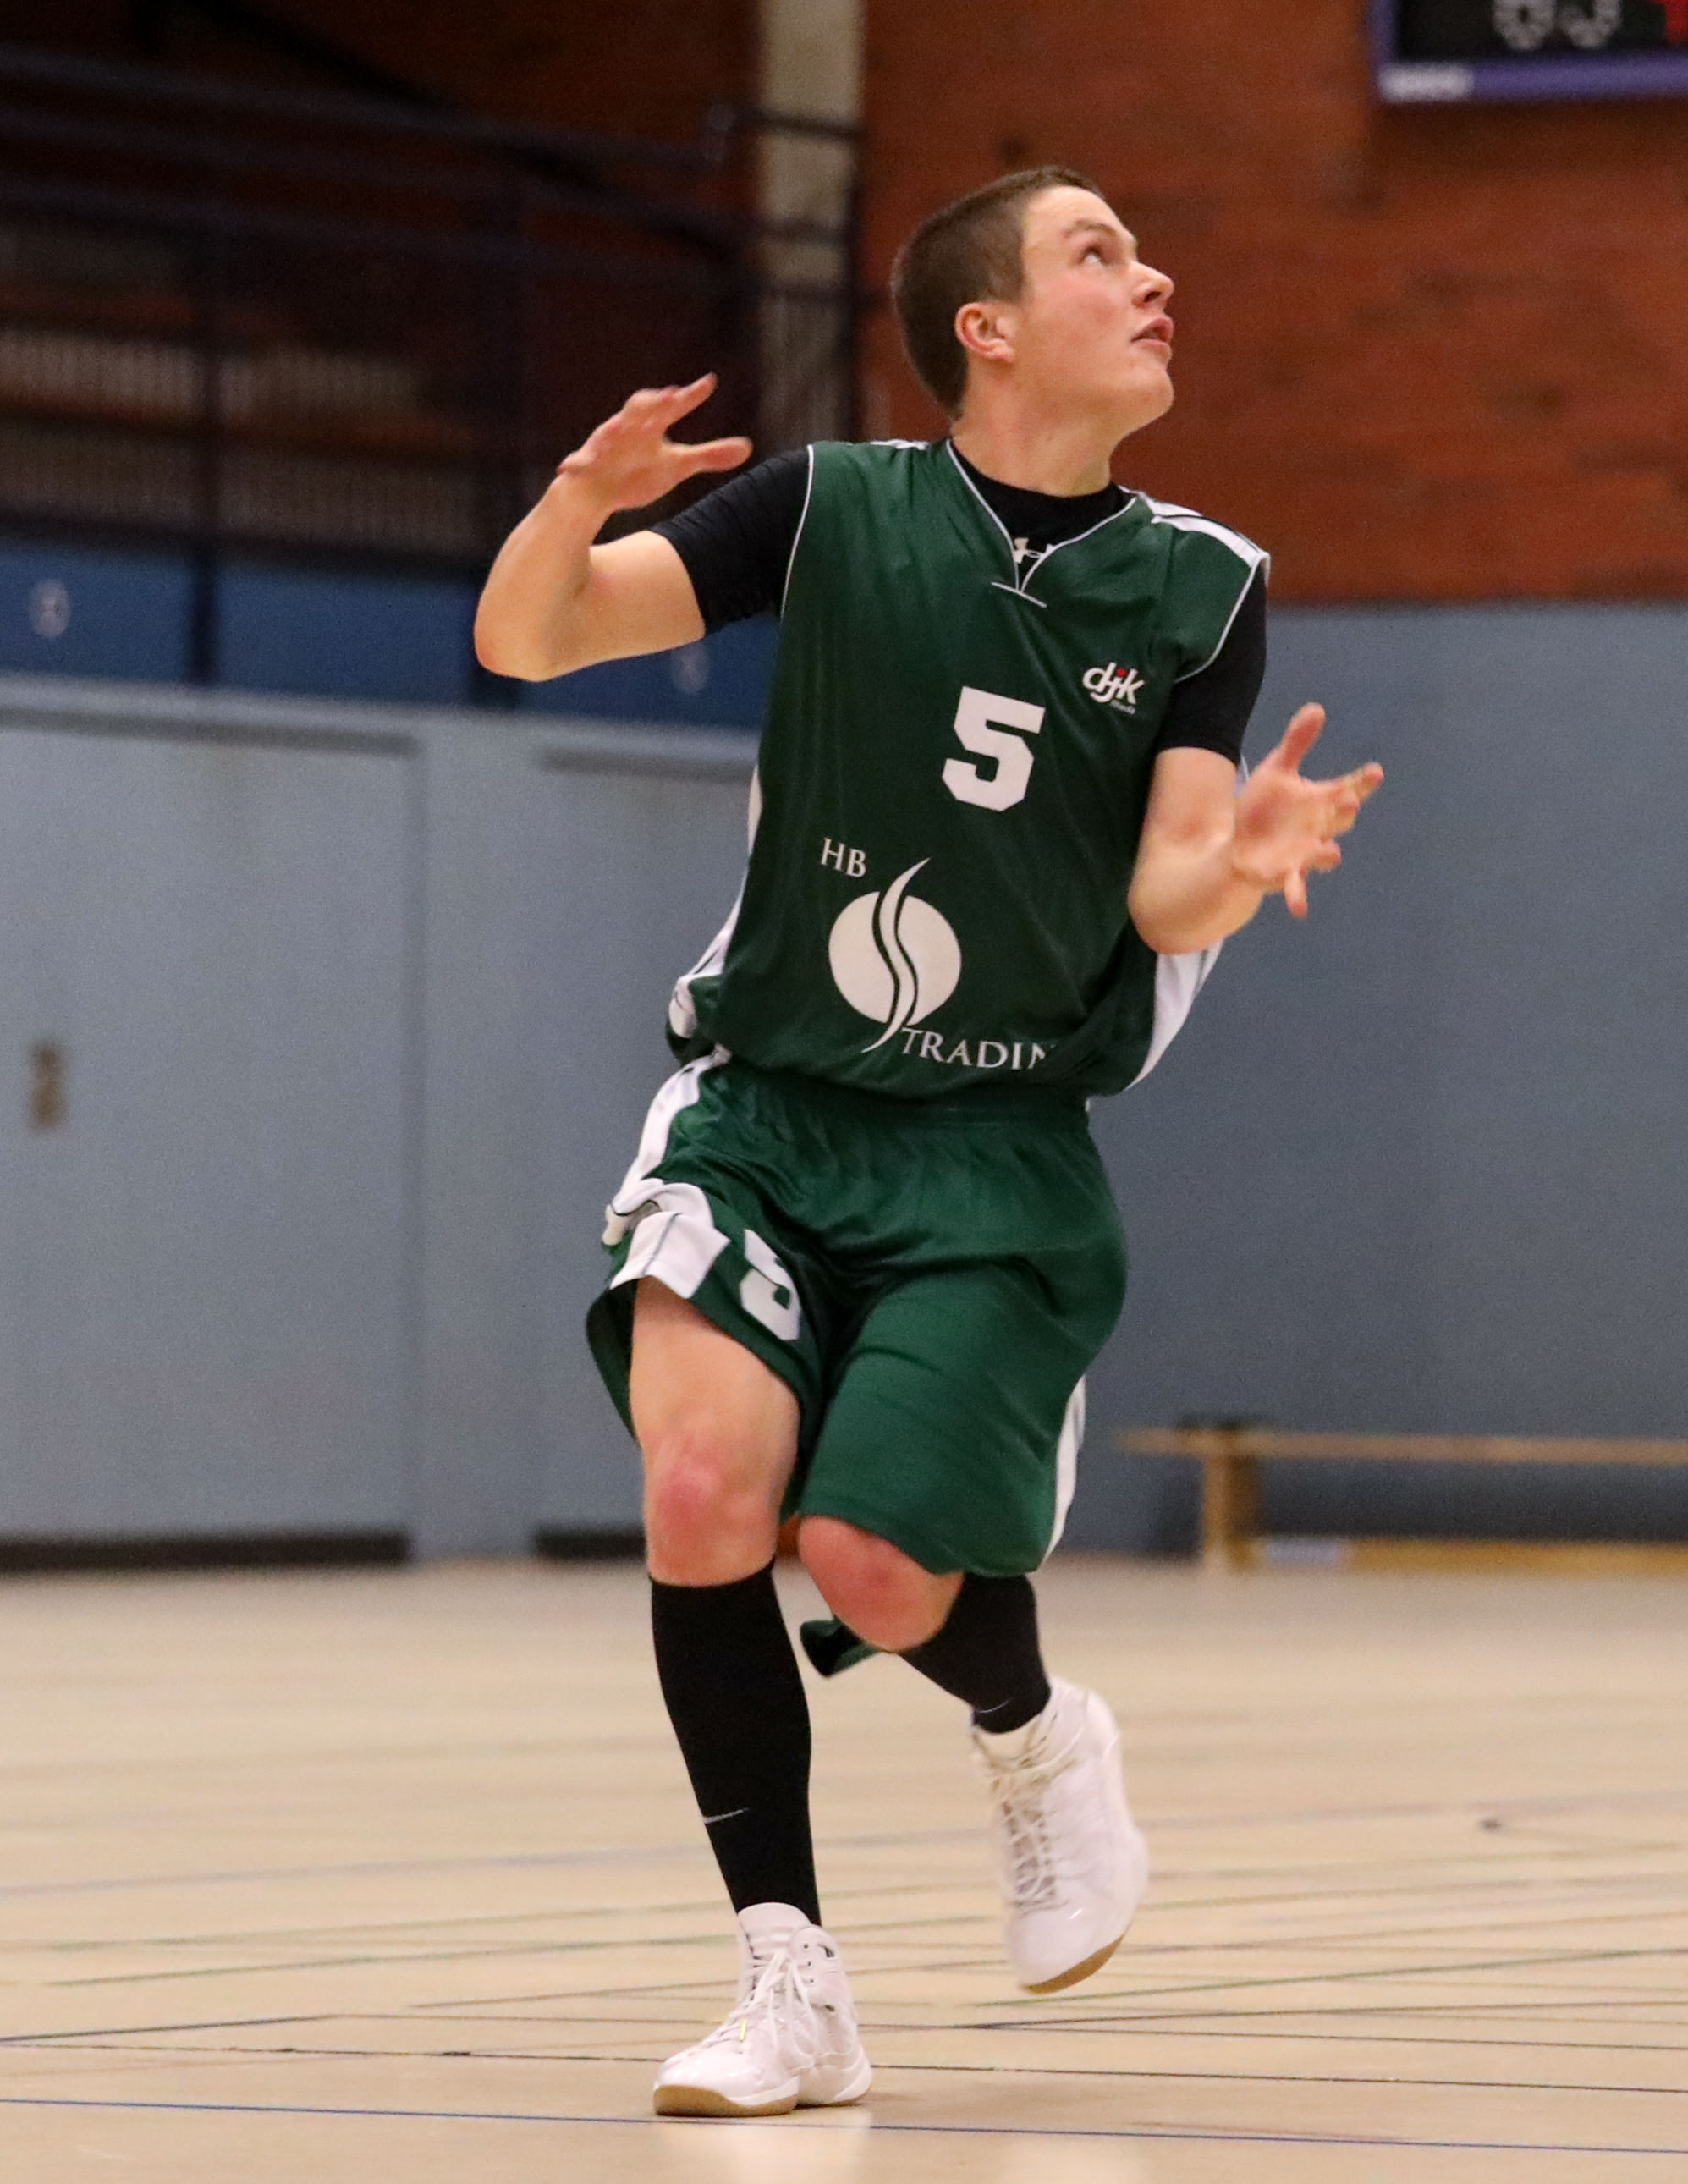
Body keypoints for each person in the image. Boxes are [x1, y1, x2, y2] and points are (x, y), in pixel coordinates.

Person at [474, 167, 1382, 2113]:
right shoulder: (830, 509)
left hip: (991, 1143)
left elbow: (1163, 888)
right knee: (702, 1489)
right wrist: (573, 500)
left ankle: (1036, 1731)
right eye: (1098, 255)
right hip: (769, 1104)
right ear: (990, 327)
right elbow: (534, 639)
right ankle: (787, 1978)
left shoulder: (1200, 582)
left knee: (873, 1558)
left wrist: (1237, 864)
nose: (1153, 278)